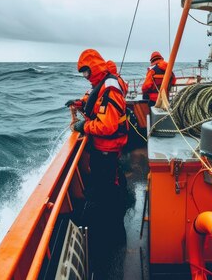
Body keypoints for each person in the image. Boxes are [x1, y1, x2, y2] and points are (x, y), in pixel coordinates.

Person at [68, 49, 129, 276]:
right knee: (108, 185)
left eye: (85, 71)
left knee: (106, 191)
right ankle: (111, 223)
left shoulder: (110, 88)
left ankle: (109, 236)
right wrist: (79, 102)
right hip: (106, 149)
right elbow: (93, 98)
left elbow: (107, 126)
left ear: (93, 67)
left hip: (107, 149)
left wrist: (83, 126)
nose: (84, 76)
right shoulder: (103, 83)